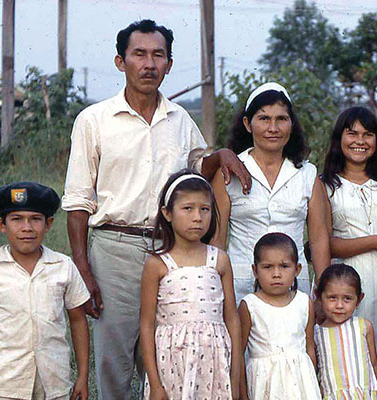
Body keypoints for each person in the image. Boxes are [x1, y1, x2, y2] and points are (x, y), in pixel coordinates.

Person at [62, 19, 250, 399]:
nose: (149, 64)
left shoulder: (179, 119)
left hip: (171, 250)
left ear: (169, 63)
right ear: (121, 61)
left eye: (158, 55)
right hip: (115, 249)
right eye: (139, 54)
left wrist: (221, 155)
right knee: (114, 360)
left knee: (168, 352)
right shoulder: (94, 120)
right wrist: (83, 267)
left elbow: (196, 171)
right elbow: (78, 201)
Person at [0, 182, 90, 400]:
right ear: (1, 224)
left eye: (35, 219)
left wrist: (83, 376)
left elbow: (78, 320)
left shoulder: (63, 266)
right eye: (16, 219)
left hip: (54, 384)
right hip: (5, 385)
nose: (27, 228)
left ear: (48, 224)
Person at [213, 82, 330, 301]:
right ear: (248, 124)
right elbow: (217, 242)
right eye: (264, 118)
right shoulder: (229, 173)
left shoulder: (307, 174)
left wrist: (324, 292)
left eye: (281, 119)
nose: (273, 128)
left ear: (291, 124)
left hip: (295, 290)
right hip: (241, 289)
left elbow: (318, 240)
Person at [139, 170, 242, 399]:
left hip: (214, 363)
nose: (197, 217)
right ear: (167, 213)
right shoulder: (157, 264)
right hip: (172, 364)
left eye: (204, 209)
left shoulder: (220, 260)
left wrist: (234, 378)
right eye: (188, 208)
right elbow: (146, 325)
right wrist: (155, 384)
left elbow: (232, 320)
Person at [321, 106, 377, 366]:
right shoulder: (326, 185)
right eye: (352, 134)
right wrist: (376, 241)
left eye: (368, 135)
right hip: (346, 281)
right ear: (339, 138)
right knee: (353, 355)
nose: (360, 141)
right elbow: (324, 243)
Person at [238, 233, 321, 399]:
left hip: (301, 385)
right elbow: (239, 353)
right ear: (255, 270)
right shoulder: (250, 305)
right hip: (265, 386)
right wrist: (242, 393)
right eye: (267, 267)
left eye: (284, 266)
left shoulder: (304, 302)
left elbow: (309, 348)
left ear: (297, 269)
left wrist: (314, 384)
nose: (276, 274)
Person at [314, 263, 377, 400]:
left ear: (359, 299)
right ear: (318, 297)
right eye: (332, 298)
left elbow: (374, 364)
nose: (339, 305)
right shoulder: (317, 334)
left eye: (347, 298)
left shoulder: (363, 326)